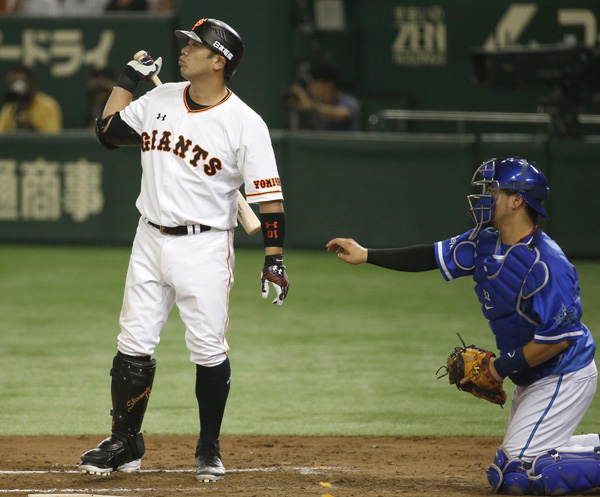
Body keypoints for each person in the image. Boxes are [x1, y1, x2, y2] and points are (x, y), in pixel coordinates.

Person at [78, 17, 290, 483]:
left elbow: (269, 200)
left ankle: (208, 447)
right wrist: (128, 79)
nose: (184, 50)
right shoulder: (160, 98)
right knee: (132, 343)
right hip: (149, 236)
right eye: (187, 43)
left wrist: (274, 258)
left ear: (218, 61)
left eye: (195, 46)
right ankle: (125, 442)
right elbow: (107, 131)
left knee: (208, 349)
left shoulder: (244, 122)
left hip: (205, 245)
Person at [326, 157, 599, 496]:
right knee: (518, 465)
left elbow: (557, 341)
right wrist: (367, 254)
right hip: (531, 375)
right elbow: (429, 256)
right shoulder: (484, 241)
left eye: (493, 190)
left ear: (517, 200)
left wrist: (498, 368)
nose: (485, 197)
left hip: (564, 374)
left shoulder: (548, 264)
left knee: (516, 476)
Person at [284, 61, 360, 131]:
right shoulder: (314, 107)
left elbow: (342, 115)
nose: (310, 87)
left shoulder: (349, 102)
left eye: (313, 83)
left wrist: (311, 106)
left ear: (328, 84)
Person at [0, 64, 62, 133]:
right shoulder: (9, 108)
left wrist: (31, 128)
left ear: (31, 82)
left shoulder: (47, 106)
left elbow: (52, 136)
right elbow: (2, 134)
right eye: (13, 82)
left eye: (21, 82)